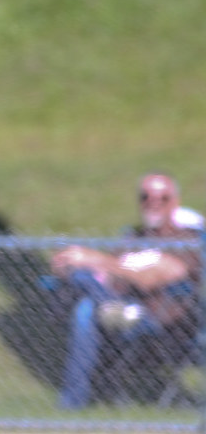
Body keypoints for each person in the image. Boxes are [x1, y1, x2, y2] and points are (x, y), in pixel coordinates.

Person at [50, 173, 203, 409]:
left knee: (86, 310)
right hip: (120, 308)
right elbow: (106, 275)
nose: (153, 202)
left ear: (174, 201)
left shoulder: (186, 241)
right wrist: (68, 264)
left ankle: (72, 403)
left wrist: (93, 258)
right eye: (146, 196)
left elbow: (148, 280)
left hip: (157, 318)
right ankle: (110, 306)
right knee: (83, 288)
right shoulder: (133, 237)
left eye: (162, 197)